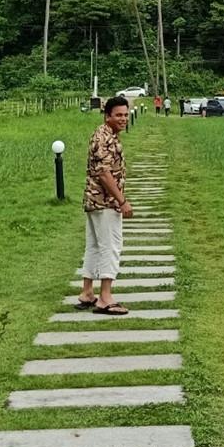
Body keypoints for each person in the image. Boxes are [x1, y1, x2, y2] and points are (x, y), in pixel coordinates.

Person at [77, 96, 132, 315]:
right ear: (107, 115)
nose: (123, 119)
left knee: (94, 246)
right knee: (111, 246)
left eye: (126, 115)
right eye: (118, 115)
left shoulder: (107, 135)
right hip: (105, 202)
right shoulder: (104, 138)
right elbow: (104, 174)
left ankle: (87, 292)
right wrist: (122, 201)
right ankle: (105, 297)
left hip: (95, 201)